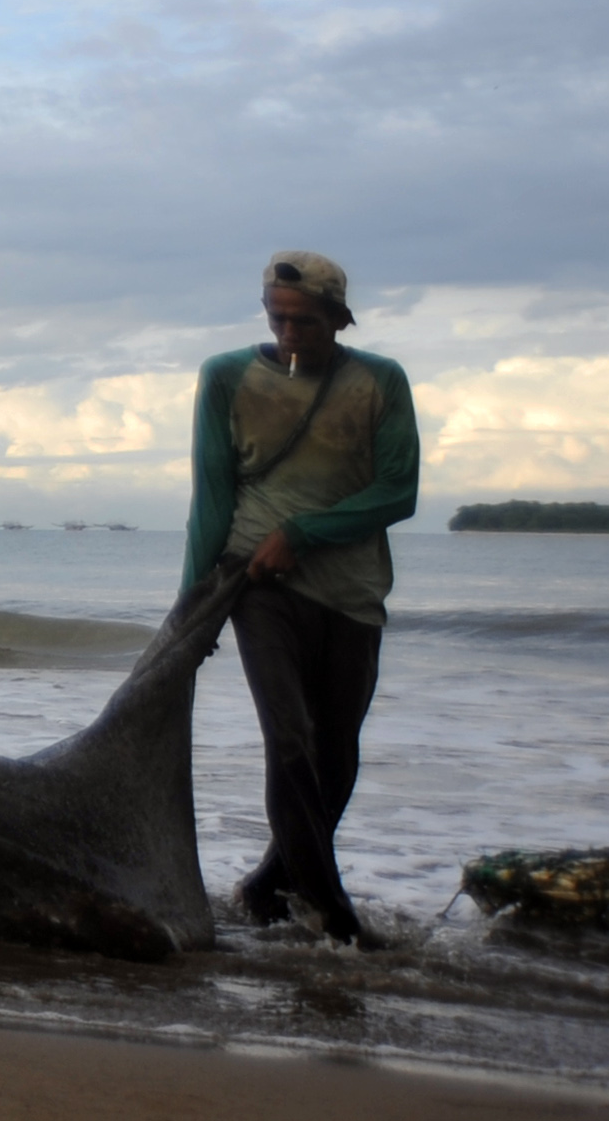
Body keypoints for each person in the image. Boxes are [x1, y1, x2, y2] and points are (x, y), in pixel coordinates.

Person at [182, 251, 420, 947]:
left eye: (305, 320)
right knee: (289, 742)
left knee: (336, 755)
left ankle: (268, 885)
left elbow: (398, 492)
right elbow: (214, 494)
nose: (289, 330)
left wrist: (306, 531)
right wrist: (193, 606)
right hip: (259, 582)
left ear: (339, 318)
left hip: (351, 592)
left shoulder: (379, 381)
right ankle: (333, 914)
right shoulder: (226, 375)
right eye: (276, 315)